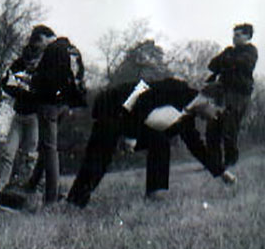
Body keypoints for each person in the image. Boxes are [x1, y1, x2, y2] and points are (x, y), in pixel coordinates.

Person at [67, 78, 235, 207]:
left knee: (160, 141)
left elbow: (197, 147)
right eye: (217, 112)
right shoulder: (176, 88)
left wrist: (221, 172)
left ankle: (156, 194)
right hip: (114, 107)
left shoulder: (187, 121)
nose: (215, 117)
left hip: (132, 120)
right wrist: (131, 136)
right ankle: (75, 201)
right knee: (100, 156)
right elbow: (142, 98)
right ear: (210, 101)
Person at [23, 27, 87, 205]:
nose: (40, 49)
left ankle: (51, 197)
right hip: (65, 105)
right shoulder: (73, 50)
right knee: (47, 147)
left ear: (43, 38)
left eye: (39, 44)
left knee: (50, 149)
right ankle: (32, 185)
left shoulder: (53, 50)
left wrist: (32, 80)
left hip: (49, 105)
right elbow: (79, 77)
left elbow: (48, 81)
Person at [0, 31, 46, 190]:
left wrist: (31, 92)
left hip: (35, 116)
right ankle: (0, 184)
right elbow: (5, 83)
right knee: (8, 152)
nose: (31, 65)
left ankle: (26, 186)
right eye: (28, 62)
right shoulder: (17, 65)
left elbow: (45, 92)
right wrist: (19, 91)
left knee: (30, 154)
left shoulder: (44, 69)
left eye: (34, 62)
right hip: (19, 114)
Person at [205, 23, 257, 169]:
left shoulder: (251, 51)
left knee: (230, 126)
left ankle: (230, 161)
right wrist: (229, 62)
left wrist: (227, 62)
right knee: (213, 126)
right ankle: (214, 162)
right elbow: (212, 65)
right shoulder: (229, 51)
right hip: (222, 92)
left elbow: (245, 64)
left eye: (238, 35)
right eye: (234, 35)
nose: (234, 38)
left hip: (239, 94)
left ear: (247, 36)